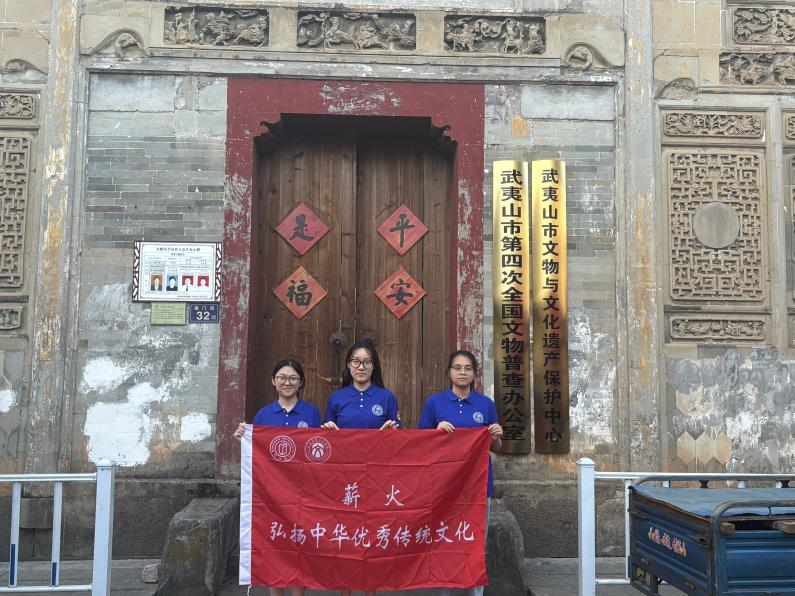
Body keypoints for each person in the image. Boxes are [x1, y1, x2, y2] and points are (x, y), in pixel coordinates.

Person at [418, 350, 504, 596]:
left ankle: (475, 593)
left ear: (475, 373)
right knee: (444, 540)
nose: (462, 372)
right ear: (449, 372)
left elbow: (495, 447)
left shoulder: (485, 405)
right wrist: (436, 432)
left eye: (468, 368)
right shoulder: (434, 403)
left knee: (475, 542)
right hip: (443, 485)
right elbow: (420, 443)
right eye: (457, 368)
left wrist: (496, 436)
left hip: (478, 485)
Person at [234, 358, 319, 596]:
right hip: (271, 493)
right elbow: (256, 450)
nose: (287, 382)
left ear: (301, 382)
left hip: (303, 491)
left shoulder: (311, 412)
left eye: (293, 378)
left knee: (299, 546)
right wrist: (243, 436)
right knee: (275, 546)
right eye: (282, 378)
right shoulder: (263, 415)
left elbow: (319, 448)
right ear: (273, 381)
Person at [321, 339, 399, 596]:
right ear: (348, 365)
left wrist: (392, 433)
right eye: (356, 361)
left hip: (377, 479)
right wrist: (329, 431)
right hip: (344, 480)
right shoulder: (337, 398)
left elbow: (399, 442)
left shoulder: (387, 397)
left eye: (367, 362)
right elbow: (325, 441)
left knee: (372, 539)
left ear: (374, 366)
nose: (361, 367)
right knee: (345, 538)